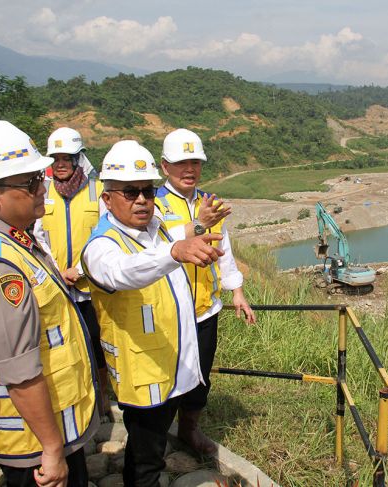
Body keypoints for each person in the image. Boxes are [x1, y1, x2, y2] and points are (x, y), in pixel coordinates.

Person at [0, 120, 99, 487]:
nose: (43, 188)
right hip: (33, 441)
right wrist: (51, 449)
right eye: (31, 183)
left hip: (46, 425)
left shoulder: (9, 238)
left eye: (41, 177)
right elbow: (19, 370)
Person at [82, 140, 224, 486]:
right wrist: (175, 251)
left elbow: (176, 234)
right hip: (142, 374)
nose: (143, 199)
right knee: (146, 459)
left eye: (147, 190)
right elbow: (125, 271)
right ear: (107, 198)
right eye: (130, 192)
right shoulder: (102, 246)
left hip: (166, 365)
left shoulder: (152, 228)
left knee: (152, 446)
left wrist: (198, 228)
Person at [156, 129, 255, 456]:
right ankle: (154, 440)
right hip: (167, 313)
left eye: (195, 162)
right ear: (164, 166)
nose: (190, 169)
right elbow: (154, 246)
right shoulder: (153, 204)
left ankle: (189, 430)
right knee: (165, 377)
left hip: (205, 309)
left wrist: (236, 291)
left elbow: (224, 248)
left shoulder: (209, 202)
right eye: (181, 163)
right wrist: (198, 224)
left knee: (200, 377)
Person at [34, 127, 110, 418]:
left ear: (79, 159)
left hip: (90, 283)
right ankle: (75, 395)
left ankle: (102, 395)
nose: (61, 164)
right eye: (56, 159)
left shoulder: (98, 190)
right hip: (57, 283)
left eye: (67, 158)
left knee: (96, 340)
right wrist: (56, 269)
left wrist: (79, 269)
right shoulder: (44, 192)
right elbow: (39, 235)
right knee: (65, 343)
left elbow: (105, 235)